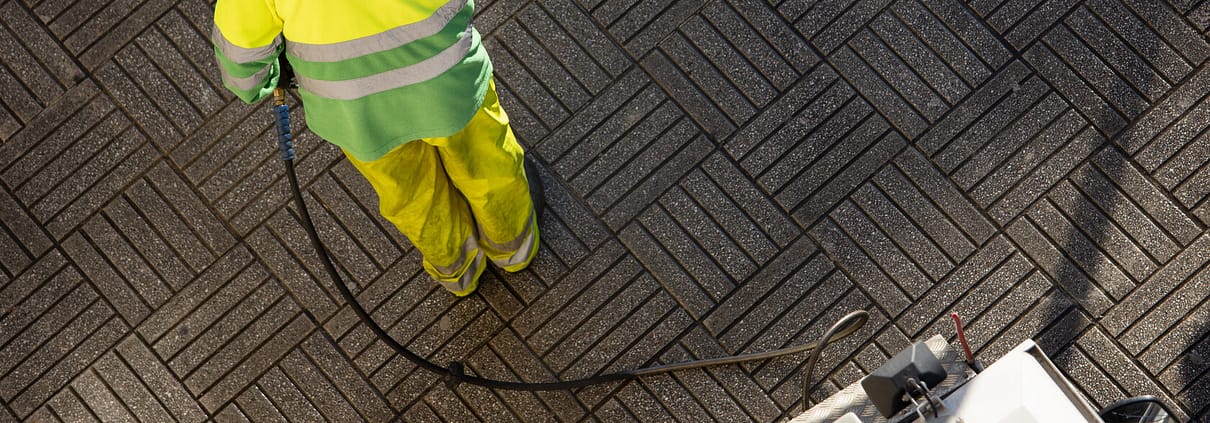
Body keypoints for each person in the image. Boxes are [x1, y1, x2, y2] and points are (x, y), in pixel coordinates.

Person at [212, 0, 541, 297]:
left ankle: (458, 272)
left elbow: (241, 65)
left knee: (411, 196)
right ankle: (514, 250)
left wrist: (269, 78)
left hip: (357, 114)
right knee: (488, 167)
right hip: (446, 82)